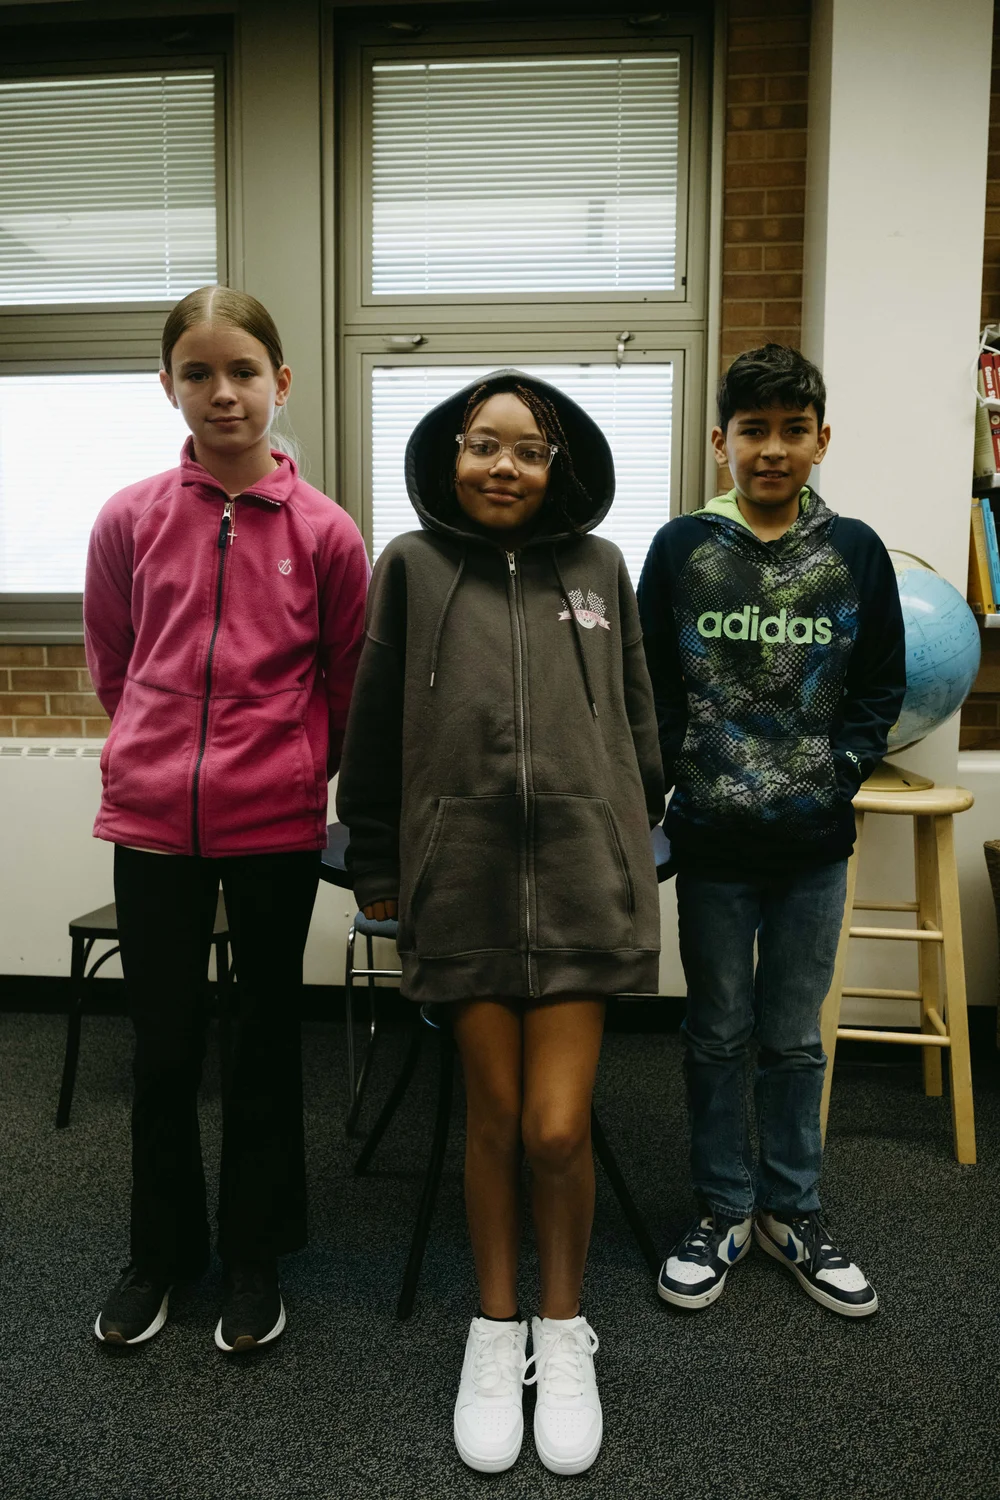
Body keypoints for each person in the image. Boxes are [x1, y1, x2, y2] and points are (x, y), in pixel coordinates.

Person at [337, 370, 664, 1475]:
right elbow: (373, 724)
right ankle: (494, 1330)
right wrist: (381, 855)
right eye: (485, 444)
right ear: (451, 454)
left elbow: (637, 720)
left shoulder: (602, 570)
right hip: (462, 881)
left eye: (527, 449)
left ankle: (563, 1329)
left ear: (557, 464)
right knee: (492, 1114)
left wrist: (629, 834)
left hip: (579, 883)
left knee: (557, 1128)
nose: (504, 466)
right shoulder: (412, 568)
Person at [84, 285, 369, 1353]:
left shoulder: (327, 532)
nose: (222, 392)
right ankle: (161, 1255)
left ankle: (254, 1253)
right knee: (163, 1049)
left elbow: (343, 682)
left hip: (273, 826)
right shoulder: (130, 517)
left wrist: (295, 768)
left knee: (262, 1044)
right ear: (170, 388)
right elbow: (115, 662)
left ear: (279, 384)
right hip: (153, 821)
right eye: (198, 373)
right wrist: (157, 750)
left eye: (242, 371)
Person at [638, 343, 905, 1319]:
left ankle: (792, 1211)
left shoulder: (854, 553)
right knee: (715, 1033)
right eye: (753, 430)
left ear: (820, 439)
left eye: (794, 430)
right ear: (721, 443)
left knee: (792, 1040)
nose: (773, 448)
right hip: (709, 842)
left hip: (810, 847)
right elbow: (650, 686)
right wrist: (668, 780)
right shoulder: (679, 552)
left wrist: (838, 771)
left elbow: (880, 684)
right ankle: (721, 1208)